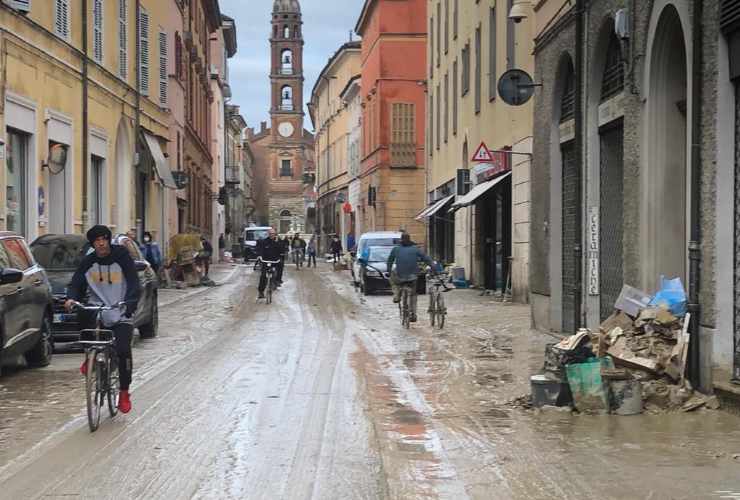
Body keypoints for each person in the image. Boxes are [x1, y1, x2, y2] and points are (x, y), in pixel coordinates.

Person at [65, 225, 141, 414]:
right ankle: (89, 354)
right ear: (93, 244)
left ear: (108, 240)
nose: (101, 243)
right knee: (83, 315)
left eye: (104, 239)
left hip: (120, 309)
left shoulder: (122, 256)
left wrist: (131, 302)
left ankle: (123, 392)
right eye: (97, 240)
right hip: (98, 308)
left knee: (123, 351)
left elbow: (133, 281)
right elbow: (76, 282)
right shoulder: (89, 262)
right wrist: (71, 297)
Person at [387, 233, 434, 323]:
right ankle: (413, 313)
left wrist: (389, 270)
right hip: (413, 277)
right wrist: (433, 267)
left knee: (393, 279)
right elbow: (426, 258)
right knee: (413, 294)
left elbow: (389, 261)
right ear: (410, 241)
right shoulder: (416, 249)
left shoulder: (396, 249)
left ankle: (397, 294)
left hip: (399, 276)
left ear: (401, 241)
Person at [256, 228, 282, 298]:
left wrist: (278, 243)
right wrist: (260, 256)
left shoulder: (277, 242)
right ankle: (261, 291)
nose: (272, 235)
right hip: (266, 261)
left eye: (273, 234)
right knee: (263, 276)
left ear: (275, 234)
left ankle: (277, 281)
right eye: (270, 234)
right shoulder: (264, 242)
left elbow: (281, 251)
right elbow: (260, 250)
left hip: (274, 261)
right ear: (268, 234)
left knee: (279, 268)